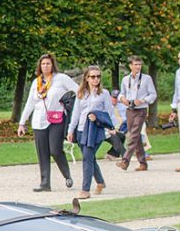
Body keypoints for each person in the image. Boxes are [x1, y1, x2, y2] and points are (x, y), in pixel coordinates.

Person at [17, 53, 78, 192]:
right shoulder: (36, 82)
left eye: (48, 63)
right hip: (39, 120)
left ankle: (67, 175)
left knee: (55, 150)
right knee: (42, 152)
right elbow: (30, 103)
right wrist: (22, 123)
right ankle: (45, 183)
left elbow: (78, 90)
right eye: (43, 64)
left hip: (56, 119)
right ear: (40, 66)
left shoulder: (61, 78)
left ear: (52, 65)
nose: (45, 66)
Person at [67, 66, 117, 197]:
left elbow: (109, 112)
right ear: (87, 78)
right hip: (81, 130)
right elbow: (76, 113)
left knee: (86, 158)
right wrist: (71, 130)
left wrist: (112, 127)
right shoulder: (81, 93)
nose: (96, 79)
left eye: (98, 77)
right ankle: (100, 182)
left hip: (95, 131)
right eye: (93, 77)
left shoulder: (104, 93)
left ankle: (85, 190)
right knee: (90, 158)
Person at [116, 56, 157, 171]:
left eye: (139, 65)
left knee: (133, 135)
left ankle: (125, 161)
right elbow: (121, 94)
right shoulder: (125, 79)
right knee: (136, 136)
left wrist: (143, 100)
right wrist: (122, 98)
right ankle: (143, 163)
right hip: (129, 109)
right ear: (130, 66)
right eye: (136, 64)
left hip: (141, 109)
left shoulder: (147, 79)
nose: (138, 67)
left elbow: (153, 95)